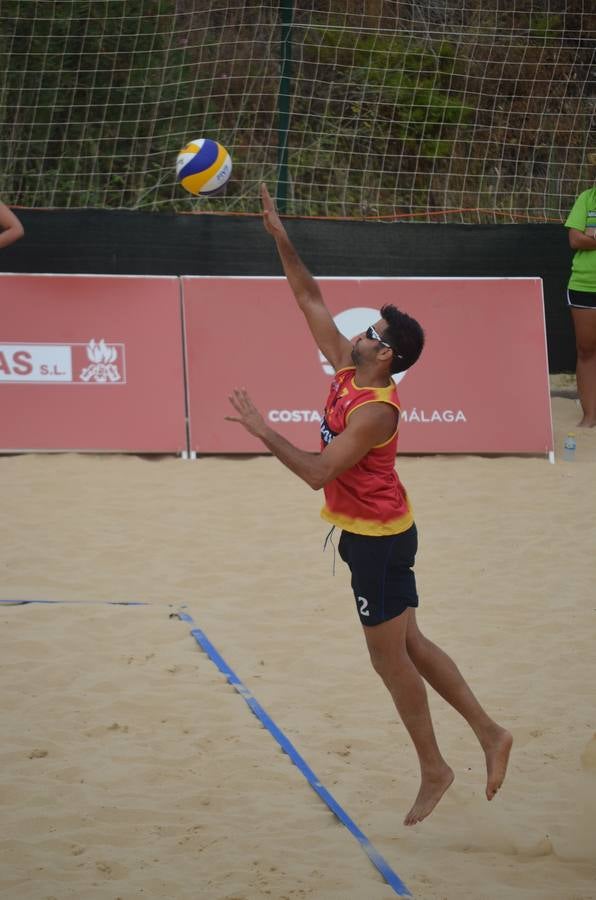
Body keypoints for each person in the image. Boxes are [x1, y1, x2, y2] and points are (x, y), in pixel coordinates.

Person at [227, 183, 512, 827]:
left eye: (372, 333)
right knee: (410, 641)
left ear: (387, 355)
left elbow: (316, 471)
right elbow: (310, 298)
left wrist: (263, 429)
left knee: (389, 658)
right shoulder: (349, 369)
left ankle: (436, 768)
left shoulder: (377, 409)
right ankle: (492, 733)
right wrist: (281, 237)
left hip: (379, 540)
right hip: (378, 531)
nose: (359, 332)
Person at [564, 162, 596, 427]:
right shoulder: (587, 198)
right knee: (586, 350)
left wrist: (592, 236)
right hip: (585, 285)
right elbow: (575, 239)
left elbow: (586, 238)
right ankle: (590, 415)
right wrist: (586, 236)